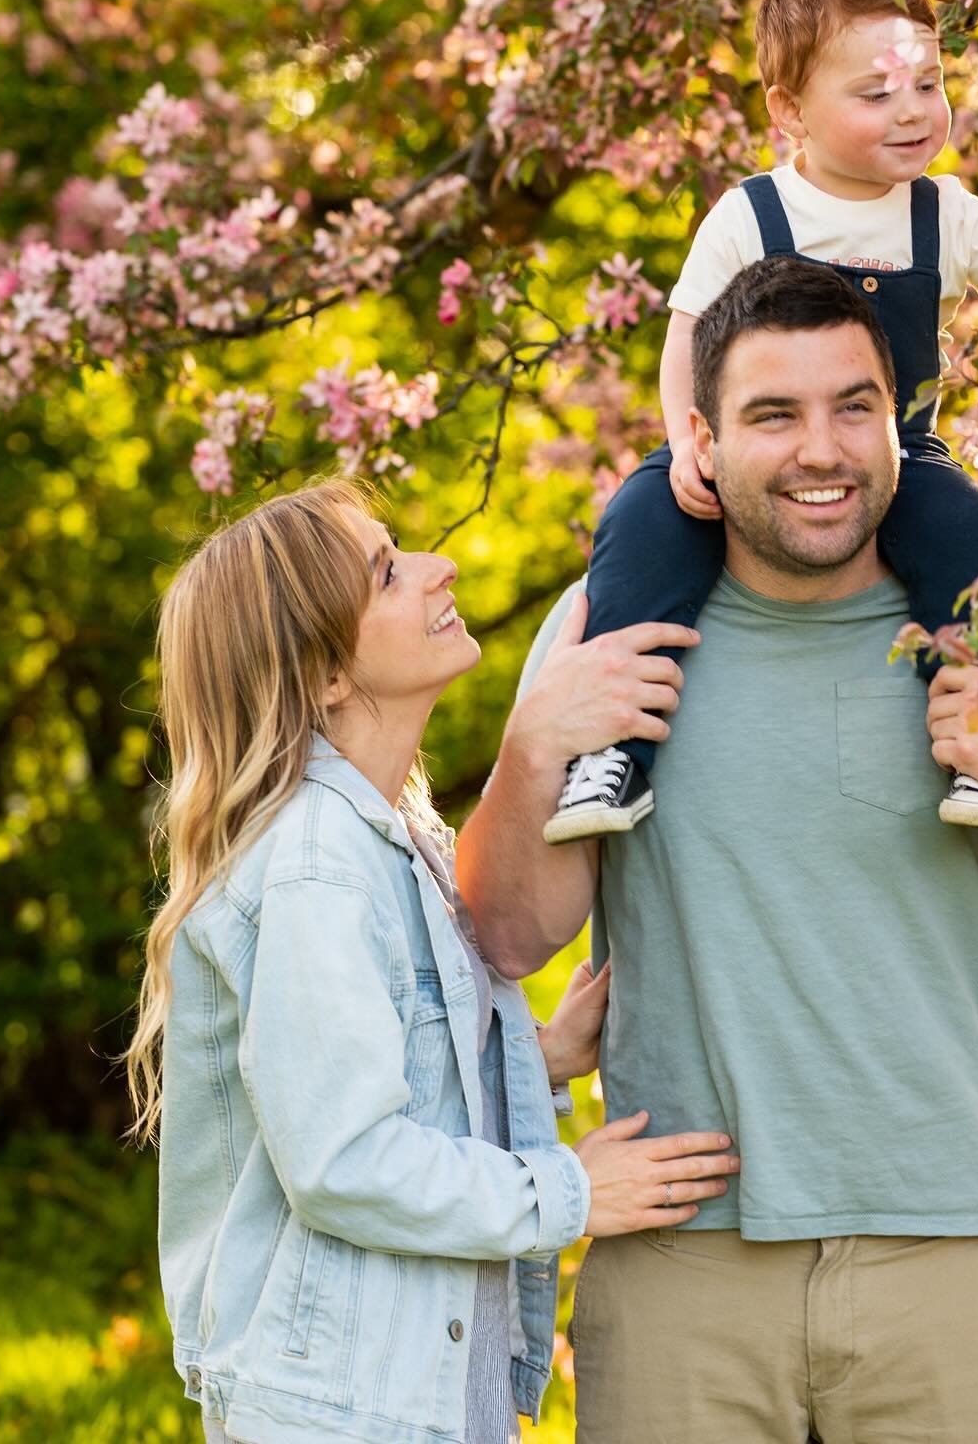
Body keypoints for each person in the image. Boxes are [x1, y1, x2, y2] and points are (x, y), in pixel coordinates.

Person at [460, 258, 978, 1444]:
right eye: (773, 416)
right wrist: (531, 752)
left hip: (945, 1253)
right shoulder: (609, 634)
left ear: (900, 420)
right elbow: (515, 934)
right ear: (702, 437)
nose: (821, 451)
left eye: (853, 408)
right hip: (684, 1261)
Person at [545, 0, 978, 845]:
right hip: (743, 448)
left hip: (897, 453)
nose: (912, 111)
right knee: (641, 533)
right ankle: (613, 752)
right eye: (876, 93)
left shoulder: (942, 213)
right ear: (790, 113)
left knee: (975, 545)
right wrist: (688, 445)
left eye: (928, 84)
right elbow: (686, 336)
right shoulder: (752, 214)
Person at [125, 479, 739, 1444]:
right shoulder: (317, 864)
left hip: (409, 1390)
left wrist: (533, 1058)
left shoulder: (388, 832)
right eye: (388, 574)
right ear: (327, 674)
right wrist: (573, 1191)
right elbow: (344, 1160)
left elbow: (364, 1076)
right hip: (344, 1412)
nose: (439, 566)